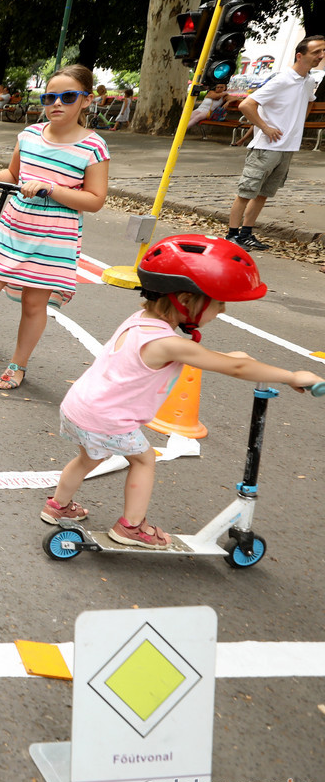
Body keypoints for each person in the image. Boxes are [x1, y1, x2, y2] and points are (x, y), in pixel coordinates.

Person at [43, 235, 322, 548]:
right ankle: (131, 527)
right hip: (108, 418)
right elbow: (235, 369)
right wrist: (292, 375)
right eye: (218, 302)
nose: (224, 310)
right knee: (144, 460)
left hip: (80, 406)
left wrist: (235, 359)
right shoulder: (169, 344)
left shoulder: (141, 321)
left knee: (87, 457)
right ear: (187, 301)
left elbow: (228, 362)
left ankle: (57, 506)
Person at [0, 64, 109, 391]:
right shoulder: (28, 135)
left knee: (33, 305)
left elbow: (96, 199)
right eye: (49, 97)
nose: (57, 103)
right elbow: (13, 176)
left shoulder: (93, 146)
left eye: (68, 96)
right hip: (13, 229)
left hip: (54, 239)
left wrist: (50, 188)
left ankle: (19, 363)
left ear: (85, 101)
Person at [226, 35, 325, 251]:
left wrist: (296, 124)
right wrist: (265, 127)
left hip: (287, 148)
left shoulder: (308, 81)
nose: (321, 56)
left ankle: (246, 234)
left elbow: (309, 102)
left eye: (323, 51)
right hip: (265, 147)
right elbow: (247, 105)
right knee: (246, 192)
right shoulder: (281, 79)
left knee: (263, 194)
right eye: (316, 52)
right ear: (300, 55)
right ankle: (231, 235)